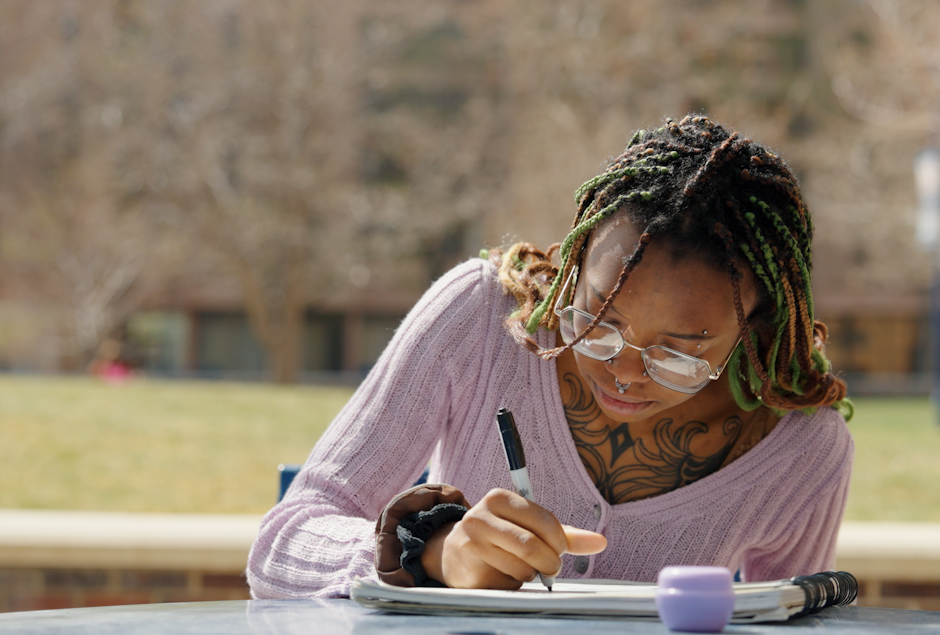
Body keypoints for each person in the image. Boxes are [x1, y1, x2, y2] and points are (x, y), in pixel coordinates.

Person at [247, 115, 854, 597]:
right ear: (574, 260)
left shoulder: (801, 449)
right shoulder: (479, 322)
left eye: (679, 353)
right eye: (597, 319)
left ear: (756, 326)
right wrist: (434, 556)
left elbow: (797, 617)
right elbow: (283, 545)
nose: (622, 370)